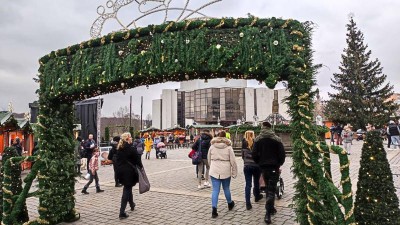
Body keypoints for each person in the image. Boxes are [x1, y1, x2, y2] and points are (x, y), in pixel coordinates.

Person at [252, 121, 285, 224]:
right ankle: (268, 213)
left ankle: (271, 209)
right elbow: (282, 155)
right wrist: (278, 163)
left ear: (262, 127)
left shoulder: (258, 139)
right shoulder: (277, 139)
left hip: (264, 168)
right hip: (274, 168)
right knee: (271, 189)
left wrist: (259, 162)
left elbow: (254, 154)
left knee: (268, 188)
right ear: (270, 128)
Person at [208, 131, 237, 218]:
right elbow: (233, 161)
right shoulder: (228, 147)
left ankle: (214, 209)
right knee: (226, 188)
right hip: (225, 169)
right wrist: (234, 171)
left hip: (214, 169)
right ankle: (229, 203)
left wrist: (211, 167)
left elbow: (208, 158)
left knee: (215, 190)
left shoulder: (212, 146)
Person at [115, 132, 143, 219]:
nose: (132, 138)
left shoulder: (119, 148)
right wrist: (141, 168)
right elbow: (137, 160)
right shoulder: (131, 148)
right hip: (129, 172)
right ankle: (122, 212)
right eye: (130, 137)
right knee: (127, 189)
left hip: (120, 171)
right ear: (127, 139)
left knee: (128, 187)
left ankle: (132, 204)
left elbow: (117, 160)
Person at [241, 130, 263, 210]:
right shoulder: (256, 143)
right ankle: (257, 196)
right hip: (256, 166)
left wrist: (246, 161)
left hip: (247, 166)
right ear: (253, 135)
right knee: (256, 182)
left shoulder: (243, 143)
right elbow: (260, 155)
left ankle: (248, 203)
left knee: (248, 184)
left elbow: (242, 156)